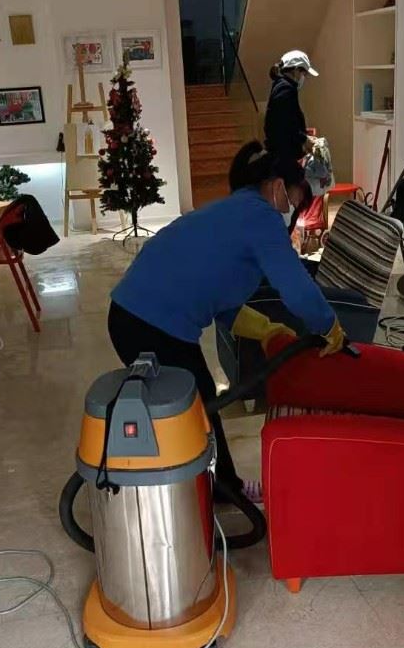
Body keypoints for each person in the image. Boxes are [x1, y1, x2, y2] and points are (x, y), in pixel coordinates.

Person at [108, 141, 346, 503]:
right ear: (277, 187)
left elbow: (222, 301)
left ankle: (210, 488)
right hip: (151, 322)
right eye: (294, 201)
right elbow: (295, 287)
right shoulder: (262, 215)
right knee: (198, 406)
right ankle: (220, 491)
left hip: (133, 315)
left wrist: (265, 329)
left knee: (195, 405)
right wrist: (328, 325)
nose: (293, 211)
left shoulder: (237, 209)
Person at [264, 49, 319, 167]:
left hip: (282, 153)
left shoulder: (281, 86)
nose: (304, 78)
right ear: (296, 70)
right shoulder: (286, 89)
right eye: (304, 74)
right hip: (284, 156)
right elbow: (285, 123)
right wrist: (304, 139)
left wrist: (303, 134)